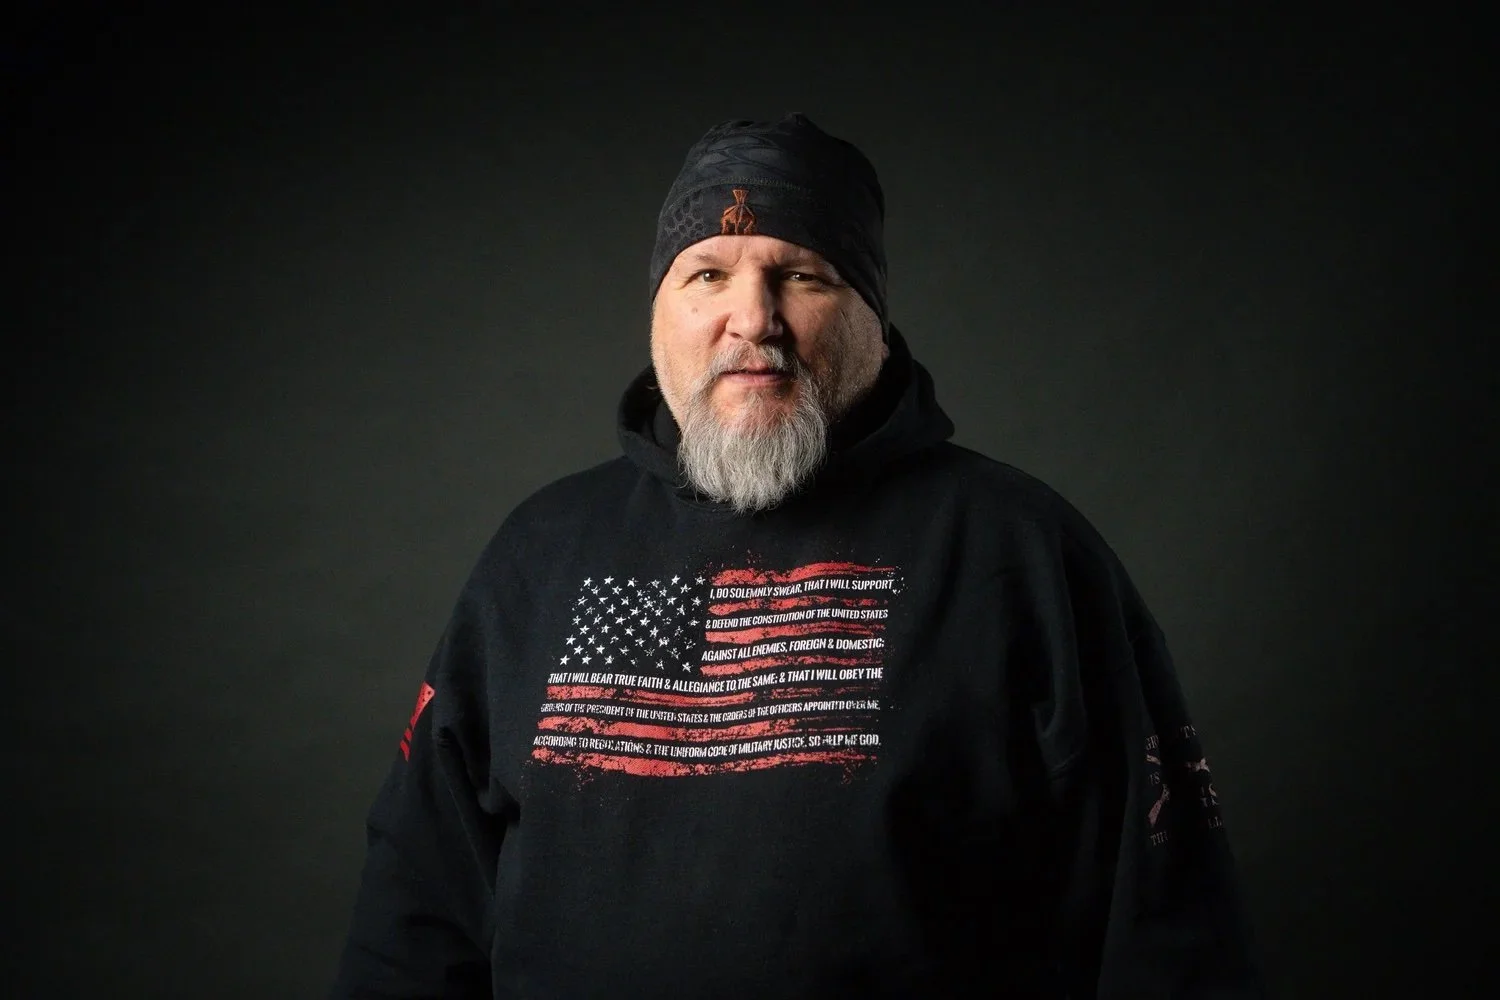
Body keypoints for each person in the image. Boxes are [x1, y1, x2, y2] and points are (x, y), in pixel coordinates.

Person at [329, 112, 1264, 998]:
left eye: (803, 276)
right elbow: (418, 907)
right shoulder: (538, 555)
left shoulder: (1022, 553)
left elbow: (1170, 926)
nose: (753, 318)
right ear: (658, 313)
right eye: (707, 275)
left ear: (872, 317)